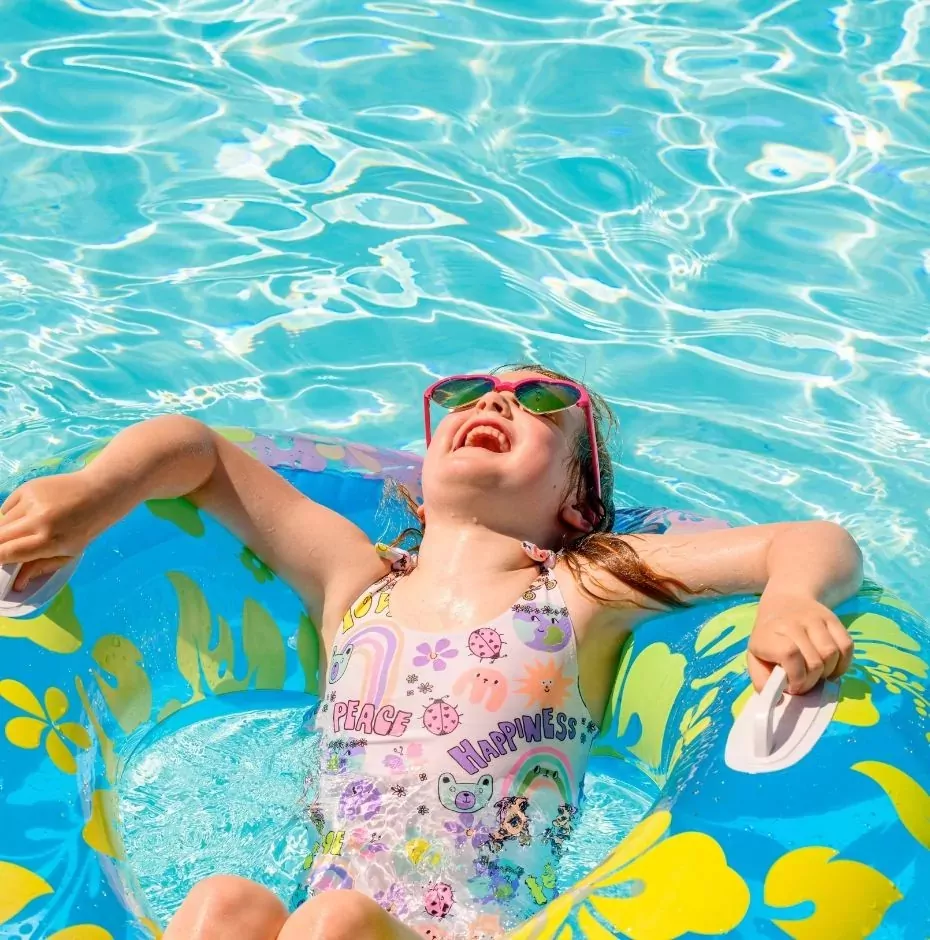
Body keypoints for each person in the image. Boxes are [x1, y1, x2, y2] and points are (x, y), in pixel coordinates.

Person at [0, 365, 862, 940]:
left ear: (575, 502)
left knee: (334, 922)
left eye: (540, 403)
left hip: (465, 930)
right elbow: (197, 451)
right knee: (223, 905)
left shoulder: (583, 587)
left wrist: (789, 598)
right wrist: (90, 494)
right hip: (332, 923)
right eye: (469, 395)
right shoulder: (355, 584)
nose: (495, 403)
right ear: (420, 472)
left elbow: (813, 539)